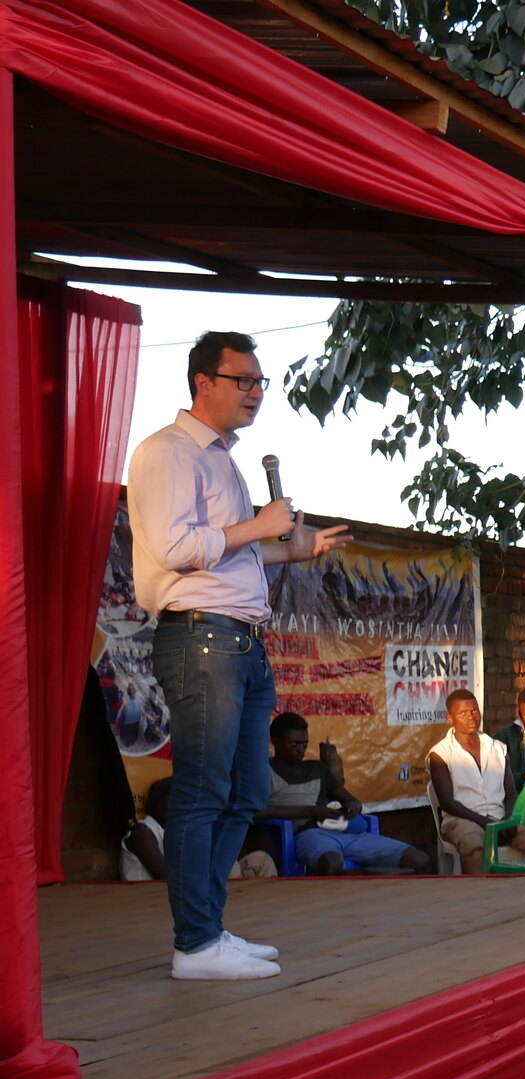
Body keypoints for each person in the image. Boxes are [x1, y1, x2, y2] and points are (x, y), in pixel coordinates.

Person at [127, 330, 351, 979]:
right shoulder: (169, 452)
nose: (255, 392)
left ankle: (211, 929)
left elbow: (230, 547)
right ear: (204, 381)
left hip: (240, 641)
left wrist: (292, 549)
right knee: (204, 788)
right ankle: (195, 943)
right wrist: (260, 525)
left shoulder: (223, 459)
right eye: (243, 380)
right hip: (202, 637)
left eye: (261, 382)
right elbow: (175, 548)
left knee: (248, 786)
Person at [259, 713, 428, 874]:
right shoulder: (265, 773)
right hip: (309, 835)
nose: (300, 749)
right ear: (276, 742)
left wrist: (353, 806)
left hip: (346, 832)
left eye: (304, 744)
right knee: (331, 864)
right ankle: (361, 877)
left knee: (419, 859)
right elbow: (258, 811)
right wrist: (311, 811)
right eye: (293, 744)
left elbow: (349, 799)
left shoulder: (317, 769)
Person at [428, 689, 525, 874]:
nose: (471, 717)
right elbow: (447, 802)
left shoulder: (496, 747)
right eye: (463, 713)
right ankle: (479, 896)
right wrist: (486, 823)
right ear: (450, 718)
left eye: (474, 711)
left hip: (500, 819)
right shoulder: (440, 754)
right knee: (475, 847)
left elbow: (511, 793)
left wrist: (508, 819)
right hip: (463, 821)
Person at [123, 777, 276, 882]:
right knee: (226, 868)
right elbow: (166, 876)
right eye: (174, 797)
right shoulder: (142, 831)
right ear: (156, 802)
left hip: (184, 890)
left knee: (260, 860)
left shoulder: (184, 829)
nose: (180, 803)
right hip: (150, 896)